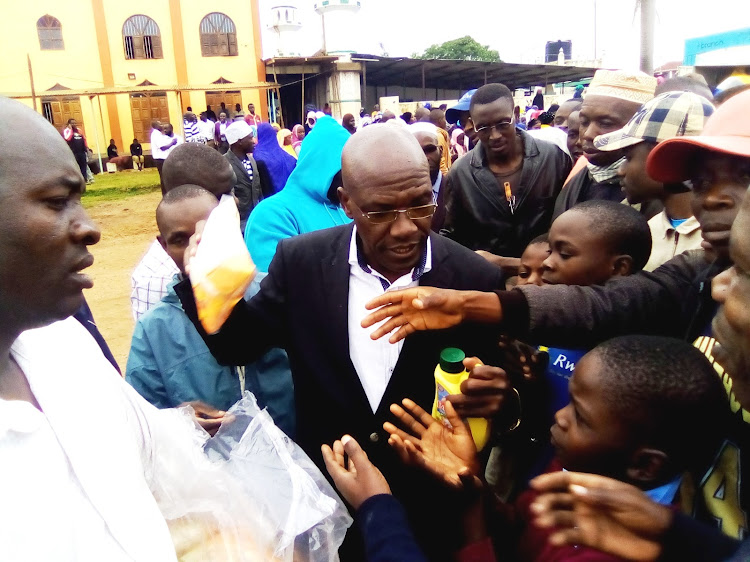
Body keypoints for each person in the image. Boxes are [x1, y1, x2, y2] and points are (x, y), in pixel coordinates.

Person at [362, 89, 750, 540]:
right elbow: (611, 303)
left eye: (740, 176)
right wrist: (477, 307)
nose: (712, 200)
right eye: (700, 182)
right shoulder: (702, 270)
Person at [177, 124, 510, 561]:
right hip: (332, 502)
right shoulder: (301, 262)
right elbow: (239, 347)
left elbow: (493, 397)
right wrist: (199, 278)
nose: (406, 228)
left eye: (420, 204)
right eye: (381, 212)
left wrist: (501, 398)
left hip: (435, 510)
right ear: (347, 202)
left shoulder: (474, 279)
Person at [126, 185, 294, 437]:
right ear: (163, 246)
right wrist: (178, 421)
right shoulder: (154, 330)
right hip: (213, 469)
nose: (194, 249)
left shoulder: (273, 293)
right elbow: (142, 420)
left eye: (205, 237)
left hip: (300, 459)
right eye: (179, 240)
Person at [441, 83, 572, 259]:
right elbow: (453, 236)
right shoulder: (460, 173)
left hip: (546, 275)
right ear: (473, 124)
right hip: (488, 280)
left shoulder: (553, 158)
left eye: (503, 124)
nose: (494, 136)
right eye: (483, 128)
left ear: (516, 114)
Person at [595, 91, 715, 271]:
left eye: (628, 157)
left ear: (667, 158)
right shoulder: (648, 230)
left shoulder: (719, 237)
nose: (620, 171)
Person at [130, 143, 236, 320]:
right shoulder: (159, 276)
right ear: (182, 196)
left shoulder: (223, 243)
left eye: (232, 192)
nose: (234, 202)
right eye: (221, 196)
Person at [243, 115, 352, 274]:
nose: (355, 178)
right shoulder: (272, 214)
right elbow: (274, 287)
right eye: (348, 171)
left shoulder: (345, 207)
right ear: (326, 167)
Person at [553, 70, 657, 220]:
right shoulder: (579, 176)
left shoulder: (653, 193)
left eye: (605, 124)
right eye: (584, 122)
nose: (588, 134)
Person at [223, 121, 272, 232]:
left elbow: (258, 189)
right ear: (239, 142)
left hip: (255, 220)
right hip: (238, 224)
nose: (254, 141)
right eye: (250, 138)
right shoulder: (224, 163)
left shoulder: (251, 160)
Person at [409, 123, 446, 230]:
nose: (425, 158)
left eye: (429, 149)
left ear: (441, 151)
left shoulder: (457, 188)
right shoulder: (400, 195)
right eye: (417, 151)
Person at [252, 122, 297, 196]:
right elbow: (294, 163)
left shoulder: (257, 154)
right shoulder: (282, 153)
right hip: (289, 194)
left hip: (270, 198)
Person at [151, 121, 178, 194]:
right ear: (155, 126)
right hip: (160, 159)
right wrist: (172, 143)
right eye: (160, 124)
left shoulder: (160, 134)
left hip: (164, 158)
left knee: (167, 176)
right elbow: (162, 147)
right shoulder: (155, 134)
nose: (162, 125)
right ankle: (165, 194)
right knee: (164, 177)